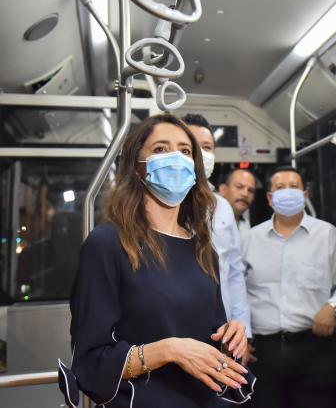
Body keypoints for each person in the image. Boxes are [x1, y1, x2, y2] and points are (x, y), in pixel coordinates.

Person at [62, 114, 249, 408]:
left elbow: (211, 336)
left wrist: (229, 338)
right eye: (161, 149)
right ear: (138, 166)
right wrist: (169, 350)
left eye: (185, 151)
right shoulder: (107, 244)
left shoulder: (203, 249)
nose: (176, 158)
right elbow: (91, 362)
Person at [243, 165, 336, 408]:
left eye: (294, 187)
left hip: (315, 348)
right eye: (280, 188)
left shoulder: (327, 235)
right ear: (270, 198)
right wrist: (242, 335)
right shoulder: (250, 240)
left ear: (305, 195)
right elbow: (236, 291)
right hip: (263, 351)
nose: (287, 192)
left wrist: (333, 306)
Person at [182, 114, 252, 343]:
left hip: (221, 331)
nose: (201, 153)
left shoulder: (222, 207)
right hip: (175, 329)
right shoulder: (160, 205)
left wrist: (243, 331)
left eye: (207, 147)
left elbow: (234, 272)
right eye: (193, 146)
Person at [219, 168, 257, 241]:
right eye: (239, 187)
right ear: (223, 190)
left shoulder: (246, 224)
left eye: (251, 191)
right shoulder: (208, 221)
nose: (245, 194)